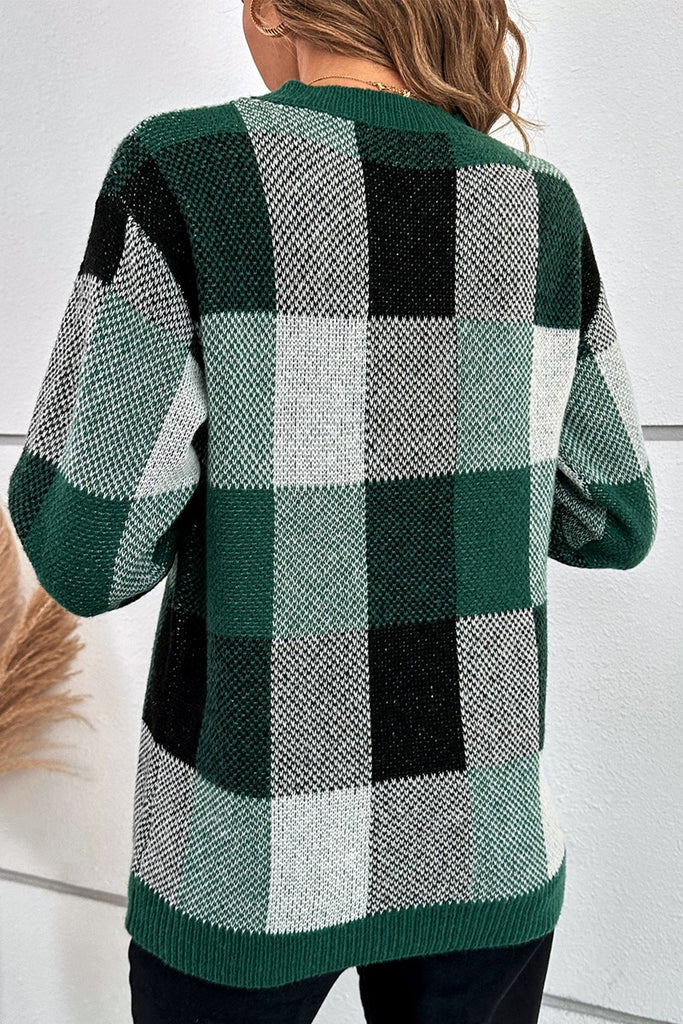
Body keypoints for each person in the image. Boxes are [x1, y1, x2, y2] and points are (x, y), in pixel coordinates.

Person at [7, 0, 658, 1021]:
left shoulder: (185, 173)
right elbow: (612, 516)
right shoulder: (539, 207)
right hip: (483, 840)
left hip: (242, 858)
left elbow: (87, 553)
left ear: (270, 6)